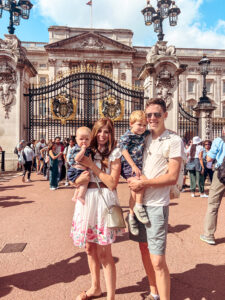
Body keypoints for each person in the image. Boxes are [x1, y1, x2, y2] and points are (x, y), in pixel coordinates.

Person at [128, 98, 183, 300]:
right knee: (144, 249)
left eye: (156, 114)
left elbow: (172, 177)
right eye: (149, 114)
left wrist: (144, 184)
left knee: (158, 260)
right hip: (139, 203)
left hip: (157, 205)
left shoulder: (174, 140)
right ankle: (154, 292)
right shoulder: (143, 137)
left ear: (165, 115)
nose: (152, 118)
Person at [70, 118, 123, 300]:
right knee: (89, 248)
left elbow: (112, 183)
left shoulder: (114, 153)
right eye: (99, 131)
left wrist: (92, 166)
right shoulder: (87, 150)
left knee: (104, 252)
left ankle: (111, 296)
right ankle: (95, 287)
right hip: (86, 201)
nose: (102, 135)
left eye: (106, 132)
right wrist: (78, 181)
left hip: (103, 201)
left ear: (111, 134)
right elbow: (73, 178)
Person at [119, 110, 150, 236]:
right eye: (139, 125)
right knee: (140, 183)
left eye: (144, 125)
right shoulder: (127, 135)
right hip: (128, 165)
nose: (142, 128)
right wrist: (132, 165)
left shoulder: (144, 133)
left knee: (134, 190)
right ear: (131, 124)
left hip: (138, 166)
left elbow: (157, 130)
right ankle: (138, 206)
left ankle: (131, 217)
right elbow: (123, 150)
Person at [200, 128, 225, 245]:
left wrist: (208, 160)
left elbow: (209, 158)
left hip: (221, 174)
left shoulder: (219, 141)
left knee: (213, 205)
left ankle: (209, 235)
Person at [68, 127, 92, 203]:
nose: (84, 141)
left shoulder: (89, 149)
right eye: (81, 139)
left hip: (81, 170)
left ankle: (75, 197)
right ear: (76, 140)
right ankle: (80, 196)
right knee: (84, 183)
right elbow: (77, 159)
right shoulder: (76, 149)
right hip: (76, 170)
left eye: (87, 139)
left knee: (81, 184)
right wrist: (83, 150)